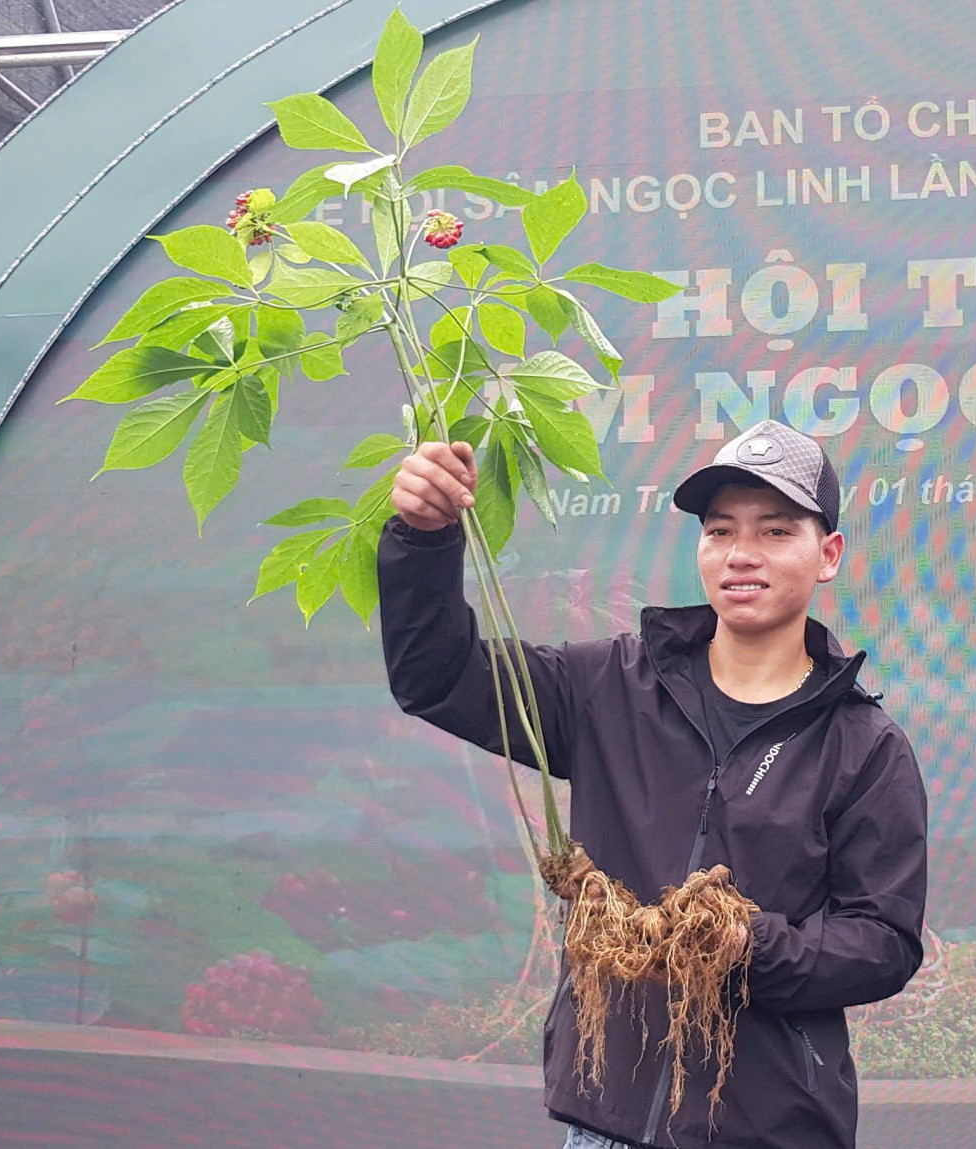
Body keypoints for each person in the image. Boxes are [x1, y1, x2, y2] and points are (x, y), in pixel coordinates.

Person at [378, 419, 929, 1149]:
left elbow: (884, 941)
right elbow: (438, 678)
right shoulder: (610, 686)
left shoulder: (863, 746)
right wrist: (424, 539)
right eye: (721, 530)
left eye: (774, 532)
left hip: (769, 1130)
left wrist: (746, 945)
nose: (741, 554)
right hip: (607, 1123)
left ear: (827, 555)